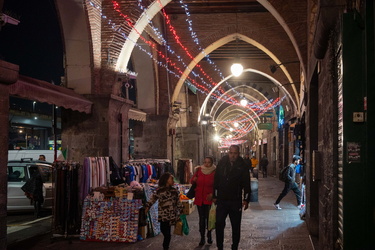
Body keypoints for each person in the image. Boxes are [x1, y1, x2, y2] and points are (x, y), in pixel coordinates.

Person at [213, 145, 251, 250]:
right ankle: (219, 246)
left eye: (235, 153)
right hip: (222, 199)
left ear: (238, 154)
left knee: (235, 225)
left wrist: (246, 199)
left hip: (235, 200)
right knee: (219, 223)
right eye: (231, 153)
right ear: (228, 153)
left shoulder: (242, 165)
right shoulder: (222, 163)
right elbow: (216, 180)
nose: (232, 155)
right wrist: (215, 195)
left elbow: (246, 184)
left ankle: (234, 247)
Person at [145, 172, 183, 250]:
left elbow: (178, 202)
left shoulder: (174, 191)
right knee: (164, 231)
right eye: (171, 179)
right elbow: (153, 199)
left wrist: (181, 210)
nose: (173, 180)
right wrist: (147, 207)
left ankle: (166, 247)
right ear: (166, 180)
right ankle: (166, 245)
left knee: (168, 234)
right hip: (163, 215)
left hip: (172, 215)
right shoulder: (159, 190)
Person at [190, 156, 216, 246]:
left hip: (209, 198)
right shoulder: (199, 170)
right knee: (201, 218)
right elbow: (192, 181)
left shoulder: (215, 171)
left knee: (209, 218)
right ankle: (202, 237)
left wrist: (213, 194)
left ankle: (209, 235)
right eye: (205, 162)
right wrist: (194, 180)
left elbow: (217, 185)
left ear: (212, 163)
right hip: (199, 198)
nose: (206, 164)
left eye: (208, 162)